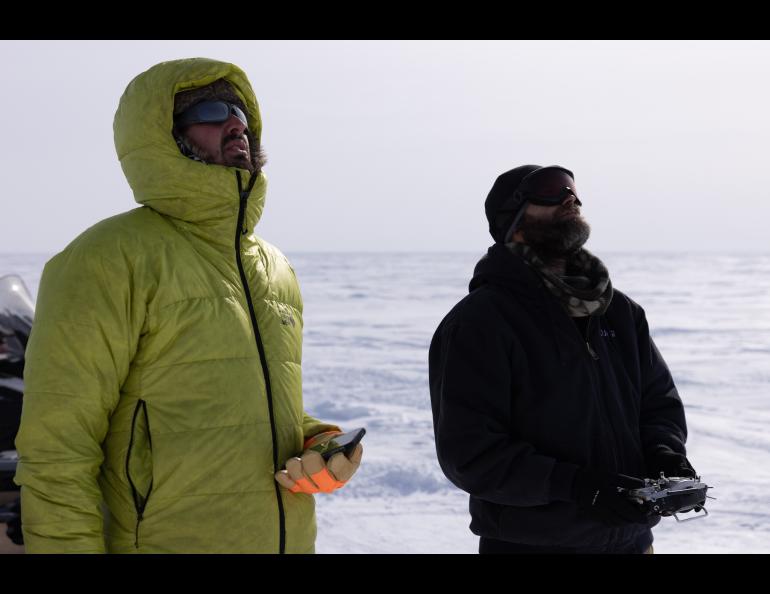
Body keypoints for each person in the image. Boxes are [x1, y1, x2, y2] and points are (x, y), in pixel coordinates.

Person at [14, 58, 363, 554]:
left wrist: (315, 441)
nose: (236, 123)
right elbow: (56, 452)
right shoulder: (107, 258)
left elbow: (225, 408)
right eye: (212, 110)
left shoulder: (274, 267)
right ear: (163, 135)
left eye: (240, 111)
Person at [429, 164, 696, 554]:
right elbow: (470, 453)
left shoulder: (619, 312)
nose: (570, 197)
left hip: (632, 542)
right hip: (531, 545)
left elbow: (658, 405)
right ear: (513, 221)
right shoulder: (480, 323)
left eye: (572, 189)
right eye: (550, 191)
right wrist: (578, 487)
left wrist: (665, 457)